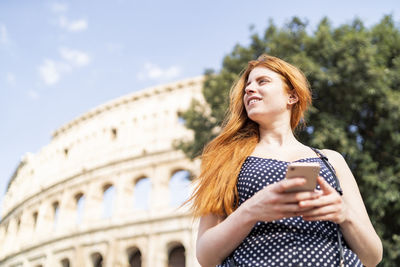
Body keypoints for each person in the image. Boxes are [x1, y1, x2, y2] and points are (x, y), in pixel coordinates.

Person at [189, 54, 382, 267]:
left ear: (292, 96)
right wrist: (251, 210)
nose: (249, 89)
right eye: (248, 85)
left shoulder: (330, 159)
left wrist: (344, 215)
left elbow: (373, 257)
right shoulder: (226, 159)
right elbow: (205, 256)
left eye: (262, 81)